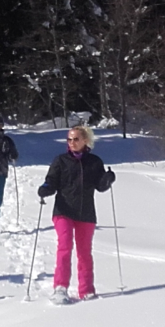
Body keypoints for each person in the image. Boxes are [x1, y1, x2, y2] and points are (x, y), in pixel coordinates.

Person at [37, 125, 114, 303]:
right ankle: (60, 287)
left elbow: (100, 186)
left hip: (86, 212)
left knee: (84, 252)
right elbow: (51, 181)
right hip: (63, 210)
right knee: (65, 246)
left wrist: (108, 179)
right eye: (69, 139)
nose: (72, 143)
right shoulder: (61, 161)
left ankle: (86, 290)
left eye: (76, 139)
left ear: (85, 140)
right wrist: (45, 189)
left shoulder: (94, 162)